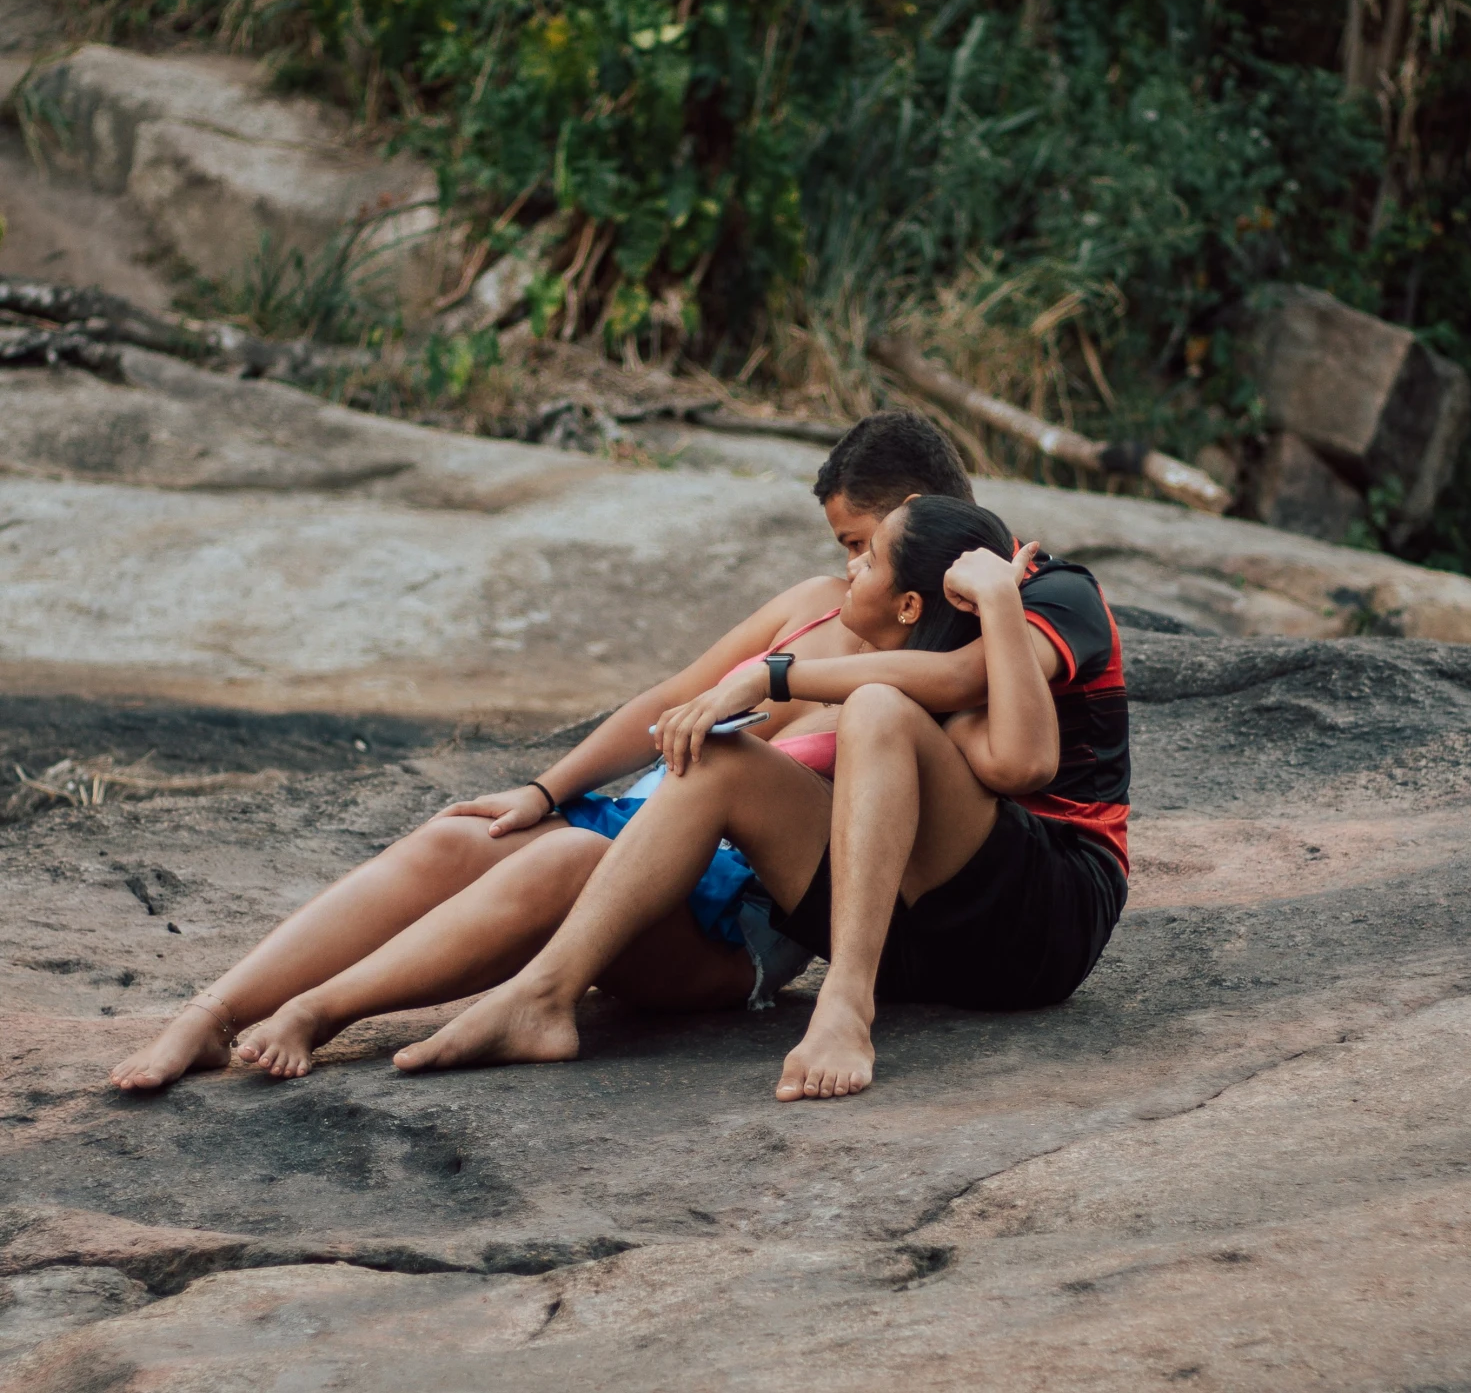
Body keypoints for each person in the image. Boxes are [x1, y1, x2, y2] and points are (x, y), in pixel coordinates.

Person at [108, 411, 974, 1091]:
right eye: (844, 548)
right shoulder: (813, 604)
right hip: (632, 828)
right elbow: (668, 699)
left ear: (925, 531)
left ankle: (317, 1013)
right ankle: (213, 1011)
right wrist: (543, 787)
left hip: (729, 922)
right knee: (464, 838)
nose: (852, 566)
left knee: (564, 861)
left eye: (864, 547)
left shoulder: (936, 674)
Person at [390, 496, 1129, 1102]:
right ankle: (544, 996)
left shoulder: (1055, 591)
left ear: (913, 597)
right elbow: (949, 683)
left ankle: (845, 1003)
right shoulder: (919, 659)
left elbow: (1023, 759)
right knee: (722, 760)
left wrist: (995, 595)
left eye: (864, 551)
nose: (847, 568)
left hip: (1044, 923)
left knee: (876, 706)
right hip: (921, 941)